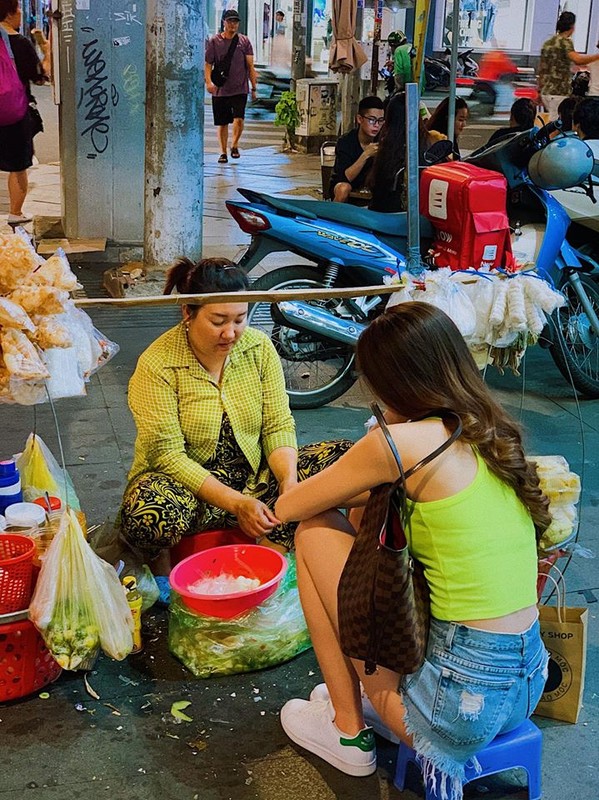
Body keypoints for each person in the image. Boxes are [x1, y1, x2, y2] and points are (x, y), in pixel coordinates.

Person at [274, 303, 550, 798]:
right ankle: (362, 701)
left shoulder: (398, 443)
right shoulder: (488, 428)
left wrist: (288, 468)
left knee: (314, 530)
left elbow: (293, 505)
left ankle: (346, 729)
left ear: (389, 383)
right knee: (361, 515)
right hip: (524, 685)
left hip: (455, 712)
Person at [120, 257, 353, 600]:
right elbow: (167, 456)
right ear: (188, 312)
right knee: (148, 512)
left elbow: (277, 424)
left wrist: (289, 483)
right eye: (218, 321)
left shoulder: (258, 349)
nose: (231, 333)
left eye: (240, 319)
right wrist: (236, 504)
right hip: (190, 493)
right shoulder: (158, 365)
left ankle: (272, 561)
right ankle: (165, 575)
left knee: (346, 461)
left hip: (255, 480)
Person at [0, 0, 45, 225]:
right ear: (9, 13)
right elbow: (41, 76)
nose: (20, 14)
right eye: (18, 9)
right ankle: (15, 213)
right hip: (13, 112)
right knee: (18, 166)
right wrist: (45, 46)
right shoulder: (19, 43)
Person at [205, 9, 258, 164]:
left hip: (240, 88)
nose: (233, 24)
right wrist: (208, 82)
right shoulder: (214, 41)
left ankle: (234, 145)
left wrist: (254, 87)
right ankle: (222, 152)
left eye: (235, 21)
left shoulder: (244, 41)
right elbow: (208, 64)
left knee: (239, 119)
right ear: (224, 22)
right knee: (222, 123)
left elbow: (250, 66)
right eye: (230, 21)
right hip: (221, 89)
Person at [368, 93, 435, 213]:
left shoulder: (386, 147)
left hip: (383, 217)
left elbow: (376, 187)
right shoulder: (426, 145)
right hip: (415, 217)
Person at [539, 11, 599, 120]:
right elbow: (578, 60)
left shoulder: (548, 43)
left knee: (552, 121)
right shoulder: (565, 42)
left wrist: (540, 89)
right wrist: (596, 56)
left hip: (546, 91)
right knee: (556, 124)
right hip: (558, 91)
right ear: (572, 26)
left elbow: (541, 69)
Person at [329, 96, 384, 203]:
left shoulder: (383, 140)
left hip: (372, 188)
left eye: (380, 121)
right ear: (360, 119)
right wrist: (365, 155)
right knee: (343, 188)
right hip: (346, 183)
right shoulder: (346, 142)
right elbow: (345, 178)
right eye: (372, 120)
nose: (376, 125)